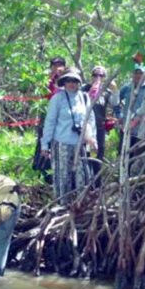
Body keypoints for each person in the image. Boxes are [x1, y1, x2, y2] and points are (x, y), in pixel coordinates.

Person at [40, 68, 97, 204]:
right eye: (69, 81)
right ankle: (61, 207)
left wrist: (92, 139)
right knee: (62, 178)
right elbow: (50, 122)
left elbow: (90, 119)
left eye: (74, 81)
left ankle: (81, 205)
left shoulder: (84, 97)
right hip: (62, 143)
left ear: (79, 82)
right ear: (64, 82)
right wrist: (45, 144)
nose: (72, 83)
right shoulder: (57, 99)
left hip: (81, 144)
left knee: (82, 177)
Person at [81, 66, 119, 184]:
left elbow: (115, 103)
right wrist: (92, 90)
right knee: (86, 153)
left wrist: (115, 90)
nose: (98, 77)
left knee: (99, 153)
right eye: (96, 75)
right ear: (91, 76)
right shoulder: (84, 89)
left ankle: (97, 183)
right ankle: (86, 180)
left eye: (101, 75)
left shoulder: (106, 92)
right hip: (87, 127)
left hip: (100, 128)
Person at [33, 57, 68, 180]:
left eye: (60, 65)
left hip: (63, 118)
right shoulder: (47, 81)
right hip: (47, 115)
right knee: (44, 141)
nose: (57, 67)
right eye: (55, 65)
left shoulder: (68, 80)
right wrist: (51, 78)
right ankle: (41, 171)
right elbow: (43, 94)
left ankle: (57, 172)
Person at [116, 63, 145, 154]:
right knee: (123, 155)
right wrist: (119, 116)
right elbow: (115, 101)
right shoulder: (127, 88)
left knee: (138, 158)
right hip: (126, 128)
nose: (138, 75)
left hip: (141, 131)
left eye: (140, 73)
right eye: (136, 72)